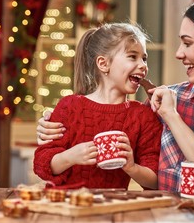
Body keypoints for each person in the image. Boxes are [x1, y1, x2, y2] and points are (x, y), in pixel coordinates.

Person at [37, 0, 194, 195]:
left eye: (187, 43)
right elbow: (104, 117)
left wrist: (173, 118)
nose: (178, 54)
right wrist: (52, 122)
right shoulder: (163, 98)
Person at [34, 23, 162, 190]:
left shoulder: (143, 116)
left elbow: (155, 180)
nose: (143, 65)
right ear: (103, 64)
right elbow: (41, 165)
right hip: (66, 205)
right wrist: (70, 156)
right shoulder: (70, 107)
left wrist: (132, 167)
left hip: (112, 208)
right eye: (132, 56)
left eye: (144, 58)